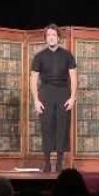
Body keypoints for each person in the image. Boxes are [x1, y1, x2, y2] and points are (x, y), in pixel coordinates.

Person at [30, 24, 77, 172]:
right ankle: (47, 162)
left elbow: (74, 77)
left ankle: (59, 162)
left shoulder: (67, 55)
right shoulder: (39, 56)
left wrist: (72, 97)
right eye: (48, 35)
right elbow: (33, 79)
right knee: (47, 127)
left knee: (62, 127)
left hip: (63, 93)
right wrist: (36, 100)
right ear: (46, 38)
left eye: (53, 35)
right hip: (46, 93)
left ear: (58, 37)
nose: (51, 37)